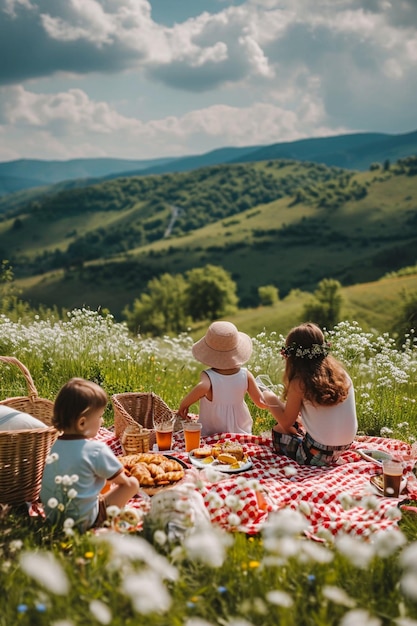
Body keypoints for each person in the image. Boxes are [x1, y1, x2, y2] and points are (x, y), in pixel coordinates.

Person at [41, 378, 139, 532]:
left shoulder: (55, 446)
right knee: (132, 484)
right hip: (83, 521)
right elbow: (123, 481)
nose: (103, 420)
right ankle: (112, 517)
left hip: (54, 517)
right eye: (99, 416)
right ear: (82, 423)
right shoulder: (96, 450)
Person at [263, 322, 357, 466]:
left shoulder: (300, 382)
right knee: (298, 424)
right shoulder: (341, 375)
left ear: (292, 356)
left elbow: (286, 422)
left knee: (279, 429)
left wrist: (270, 398)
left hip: (315, 454)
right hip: (344, 447)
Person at [178, 320, 268, 436]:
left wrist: (184, 405)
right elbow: (261, 403)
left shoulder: (208, 376)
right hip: (241, 434)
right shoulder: (246, 374)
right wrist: (270, 396)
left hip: (211, 435)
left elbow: (203, 386)